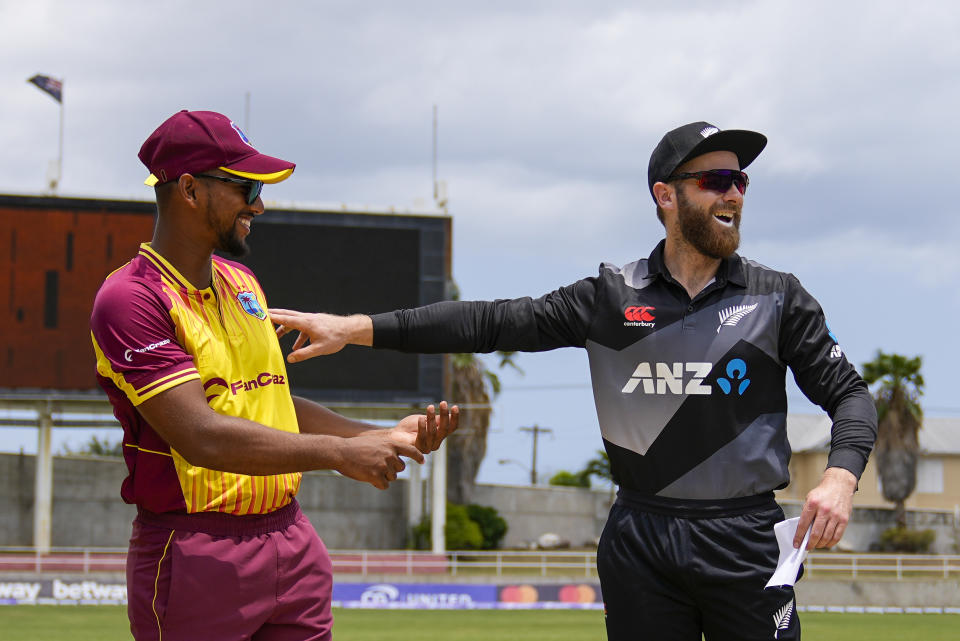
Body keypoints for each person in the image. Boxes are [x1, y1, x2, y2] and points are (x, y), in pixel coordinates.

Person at [269, 121, 878, 640]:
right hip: (641, 539)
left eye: (740, 180)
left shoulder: (778, 296)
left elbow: (850, 394)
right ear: (666, 196)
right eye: (715, 180)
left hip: (744, 539)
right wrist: (356, 326)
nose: (734, 194)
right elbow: (491, 320)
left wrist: (841, 476)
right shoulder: (612, 294)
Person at [89, 109, 458, 641]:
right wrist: (337, 455)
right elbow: (201, 437)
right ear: (190, 190)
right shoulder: (131, 299)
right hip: (197, 552)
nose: (258, 204)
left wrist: (373, 435)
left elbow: (272, 403)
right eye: (245, 186)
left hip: (290, 538)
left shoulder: (242, 282)